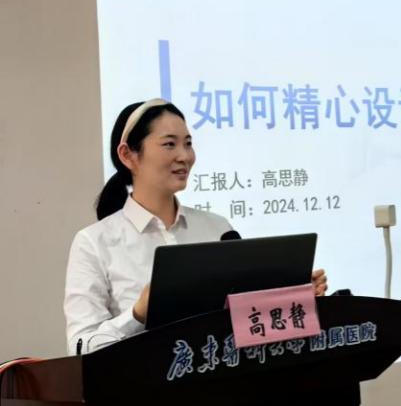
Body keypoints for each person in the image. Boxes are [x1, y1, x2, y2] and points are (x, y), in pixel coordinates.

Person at [64, 99, 327, 355]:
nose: (185, 156)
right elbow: (81, 346)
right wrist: (137, 314)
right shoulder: (94, 243)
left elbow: (250, 321)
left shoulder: (218, 229)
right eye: (169, 144)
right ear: (127, 155)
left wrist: (295, 295)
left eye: (188, 144)